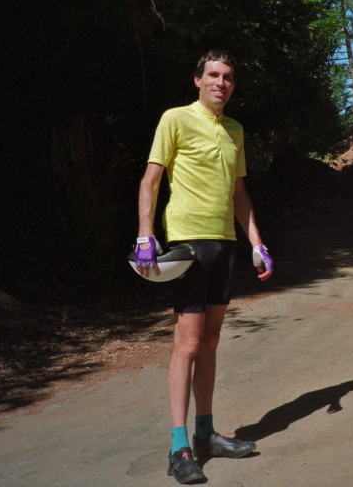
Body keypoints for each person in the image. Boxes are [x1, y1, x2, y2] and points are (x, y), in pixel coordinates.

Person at [134, 49, 275, 483]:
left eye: (228, 76)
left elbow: (238, 193)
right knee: (189, 344)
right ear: (198, 80)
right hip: (187, 243)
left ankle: (205, 434)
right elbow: (151, 180)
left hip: (225, 245)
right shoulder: (174, 119)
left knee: (211, 342)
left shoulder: (235, 130)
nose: (221, 82)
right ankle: (179, 448)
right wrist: (145, 235)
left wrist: (257, 243)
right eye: (213, 75)